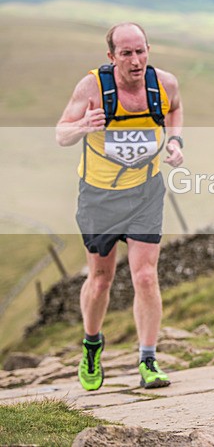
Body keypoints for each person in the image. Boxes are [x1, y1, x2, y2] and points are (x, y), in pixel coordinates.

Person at [56, 22, 184, 391]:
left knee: (145, 275)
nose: (136, 60)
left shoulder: (164, 83)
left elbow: (174, 110)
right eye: (126, 53)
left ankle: (148, 359)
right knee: (100, 281)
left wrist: (175, 143)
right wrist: (82, 125)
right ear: (111, 57)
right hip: (100, 196)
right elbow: (61, 134)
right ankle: (92, 345)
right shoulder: (92, 87)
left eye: (141, 51)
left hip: (145, 191)